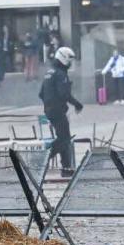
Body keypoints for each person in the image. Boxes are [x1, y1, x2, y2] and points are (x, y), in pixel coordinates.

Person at [39, 47, 83, 177]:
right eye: (69, 60)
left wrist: (49, 105)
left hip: (50, 110)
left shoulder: (49, 72)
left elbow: (41, 93)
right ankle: (41, 159)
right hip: (58, 111)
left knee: (64, 138)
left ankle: (67, 169)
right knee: (64, 140)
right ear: (63, 58)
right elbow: (64, 94)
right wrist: (77, 104)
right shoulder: (60, 74)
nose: (70, 63)